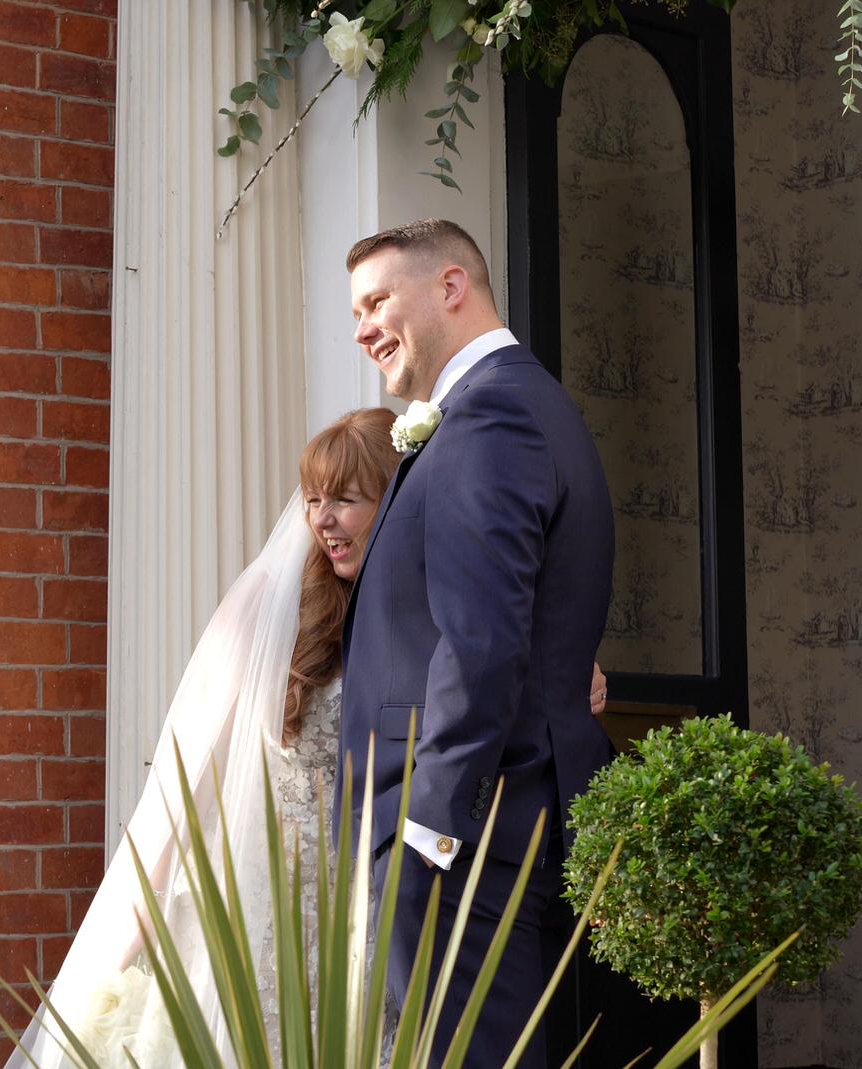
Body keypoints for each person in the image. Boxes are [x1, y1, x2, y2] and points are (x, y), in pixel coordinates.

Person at [0, 405, 611, 1068]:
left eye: (346, 500)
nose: (323, 520)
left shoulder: (436, 608)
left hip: (378, 907)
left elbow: (487, 677)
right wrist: (132, 931)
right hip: (272, 914)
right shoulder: (270, 608)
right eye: (315, 500)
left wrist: (571, 676)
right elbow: (190, 776)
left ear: (396, 500)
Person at [338, 219, 616, 1069]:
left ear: (451, 287)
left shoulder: (492, 413)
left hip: (466, 840)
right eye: (356, 312)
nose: (363, 329)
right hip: (488, 832)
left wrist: (429, 830)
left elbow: (480, 640)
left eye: (377, 301)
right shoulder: (511, 404)